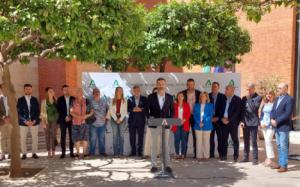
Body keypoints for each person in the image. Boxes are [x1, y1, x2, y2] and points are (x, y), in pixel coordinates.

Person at [147, 78, 174, 173]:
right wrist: (150, 117)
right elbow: (146, 111)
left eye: (163, 84)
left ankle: (167, 165)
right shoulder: (150, 97)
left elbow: (172, 112)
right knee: (154, 145)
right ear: (156, 85)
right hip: (154, 125)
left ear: (165, 85)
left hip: (165, 125)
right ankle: (154, 165)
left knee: (165, 146)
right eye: (159, 84)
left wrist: (169, 121)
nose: (161, 85)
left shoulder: (170, 97)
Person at [270, 83, 294, 173]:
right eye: (277, 88)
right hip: (276, 126)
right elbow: (273, 111)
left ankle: (284, 166)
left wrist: (277, 121)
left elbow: (287, 114)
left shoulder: (290, 99)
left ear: (285, 89)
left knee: (284, 146)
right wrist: (271, 119)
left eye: (279, 88)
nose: (277, 89)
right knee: (279, 146)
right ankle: (280, 163)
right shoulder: (277, 99)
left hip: (284, 126)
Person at [240, 83, 262, 165]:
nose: (248, 91)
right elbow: (242, 111)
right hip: (245, 122)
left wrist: (249, 99)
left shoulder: (258, 97)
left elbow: (254, 108)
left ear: (253, 88)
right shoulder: (244, 98)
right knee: (245, 140)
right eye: (247, 89)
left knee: (253, 141)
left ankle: (255, 159)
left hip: (253, 122)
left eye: (249, 89)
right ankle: (246, 157)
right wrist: (241, 121)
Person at [17, 84, 40, 160]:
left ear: (31, 90)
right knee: (23, 139)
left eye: (29, 89)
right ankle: (24, 154)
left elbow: (37, 111)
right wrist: (25, 121)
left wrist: (34, 120)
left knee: (35, 138)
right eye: (26, 89)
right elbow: (19, 112)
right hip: (23, 123)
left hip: (34, 122)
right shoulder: (20, 100)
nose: (28, 90)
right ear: (24, 90)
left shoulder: (35, 99)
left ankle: (34, 153)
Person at [70, 88, 94, 159]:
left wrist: (86, 116)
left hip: (85, 123)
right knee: (76, 139)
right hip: (75, 123)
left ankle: (84, 154)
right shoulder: (72, 101)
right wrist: (77, 116)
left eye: (80, 92)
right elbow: (71, 111)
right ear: (76, 94)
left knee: (85, 139)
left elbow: (92, 111)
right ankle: (77, 154)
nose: (79, 93)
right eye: (78, 92)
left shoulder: (87, 101)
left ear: (82, 93)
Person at [220, 85, 242, 162]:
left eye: (227, 89)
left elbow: (237, 112)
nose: (225, 91)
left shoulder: (238, 99)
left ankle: (235, 156)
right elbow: (220, 110)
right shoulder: (223, 98)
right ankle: (223, 155)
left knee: (235, 140)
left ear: (232, 91)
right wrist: (222, 119)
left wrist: (229, 120)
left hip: (232, 123)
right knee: (223, 139)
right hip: (223, 123)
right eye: (225, 89)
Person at [182, 79, 201, 158]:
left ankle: (196, 153)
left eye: (191, 84)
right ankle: (184, 153)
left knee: (195, 135)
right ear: (186, 85)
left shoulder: (199, 93)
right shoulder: (182, 93)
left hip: (195, 117)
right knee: (184, 136)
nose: (190, 86)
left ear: (194, 85)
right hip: (185, 117)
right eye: (188, 84)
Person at [107, 86, 128, 157]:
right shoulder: (112, 100)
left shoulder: (125, 100)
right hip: (114, 119)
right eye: (119, 90)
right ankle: (115, 153)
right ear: (116, 91)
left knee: (121, 136)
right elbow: (111, 110)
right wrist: (116, 119)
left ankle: (121, 153)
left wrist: (120, 119)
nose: (120, 92)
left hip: (122, 119)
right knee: (115, 136)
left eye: (121, 90)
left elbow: (125, 111)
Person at [128, 85, 148, 157]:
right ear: (133, 91)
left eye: (138, 90)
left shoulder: (144, 99)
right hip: (132, 121)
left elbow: (146, 108)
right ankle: (133, 152)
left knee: (141, 137)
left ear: (140, 91)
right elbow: (127, 109)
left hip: (141, 120)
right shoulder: (129, 99)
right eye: (135, 90)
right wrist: (133, 109)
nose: (137, 91)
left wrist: (141, 109)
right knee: (132, 137)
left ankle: (140, 152)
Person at [193, 92, 213, 160]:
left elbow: (210, 116)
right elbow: (194, 115)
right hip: (197, 126)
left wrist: (203, 122)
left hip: (207, 126)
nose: (203, 97)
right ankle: (199, 156)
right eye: (201, 96)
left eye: (204, 96)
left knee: (206, 142)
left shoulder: (210, 105)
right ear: (200, 97)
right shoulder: (196, 105)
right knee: (198, 141)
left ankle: (206, 156)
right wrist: (199, 123)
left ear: (207, 97)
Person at [89, 88, 109, 156]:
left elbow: (108, 110)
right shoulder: (90, 102)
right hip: (93, 124)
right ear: (93, 94)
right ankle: (91, 153)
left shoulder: (104, 101)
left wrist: (106, 118)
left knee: (101, 139)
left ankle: (102, 152)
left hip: (102, 124)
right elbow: (88, 111)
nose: (97, 93)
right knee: (92, 139)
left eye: (98, 92)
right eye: (95, 92)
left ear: (100, 93)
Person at [57, 85, 75, 159]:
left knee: (72, 136)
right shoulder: (59, 99)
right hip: (63, 120)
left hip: (71, 120)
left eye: (67, 89)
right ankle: (63, 153)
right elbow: (59, 110)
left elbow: (74, 109)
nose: (66, 91)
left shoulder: (73, 99)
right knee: (63, 136)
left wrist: (70, 116)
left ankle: (71, 153)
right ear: (62, 90)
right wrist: (65, 117)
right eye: (64, 90)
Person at [209, 82, 226, 158]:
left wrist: (218, 117)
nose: (214, 88)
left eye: (215, 86)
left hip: (219, 121)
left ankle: (221, 154)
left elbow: (224, 108)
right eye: (212, 86)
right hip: (210, 121)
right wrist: (210, 118)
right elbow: (205, 108)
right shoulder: (208, 96)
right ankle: (211, 154)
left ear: (218, 88)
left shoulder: (223, 96)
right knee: (210, 139)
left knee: (220, 138)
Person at [40, 87, 59, 158]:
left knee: (54, 136)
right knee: (47, 136)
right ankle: (48, 151)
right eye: (49, 91)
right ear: (47, 93)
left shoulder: (56, 101)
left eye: (52, 91)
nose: (51, 92)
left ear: (54, 93)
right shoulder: (44, 102)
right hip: (46, 121)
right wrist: (43, 122)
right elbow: (42, 112)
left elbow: (59, 111)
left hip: (55, 121)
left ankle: (53, 151)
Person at [171, 92, 190, 159]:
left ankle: (183, 154)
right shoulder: (174, 105)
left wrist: (183, 120)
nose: (180, 97)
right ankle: (177, 153)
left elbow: (188, 114)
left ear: (183, 97)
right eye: (179, 96)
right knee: (177, 140)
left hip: (184, 124)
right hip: (176, 124)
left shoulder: (186, 104)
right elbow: (172, 114)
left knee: (184, 140)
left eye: (181, 96)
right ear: (177, 97)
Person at [260, 90, 276, 167]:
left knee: (268, 140)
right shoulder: (265, 103)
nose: (268, 95)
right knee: (266, 142)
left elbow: (275, 116)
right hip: (263, 125)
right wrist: (261, 122)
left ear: (273, 95)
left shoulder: (275, 104)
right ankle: (267, 158)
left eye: (270, 94)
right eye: (267, 94)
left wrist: (268, 124)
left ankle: (270, 158)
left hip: (270, 126)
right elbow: (262, 114)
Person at [143, 87, 160, 158]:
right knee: (148, 137)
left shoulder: (162, 100)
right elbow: (146, 110)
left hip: (159, 120)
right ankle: (147, 153)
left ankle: (157, 153)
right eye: (154, 92)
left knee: (158, 138)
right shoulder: (149, 100)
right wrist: (149, 117)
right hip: (151, 120)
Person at [0, 85, 12, 161]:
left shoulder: (12, 99)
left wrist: (10, 117)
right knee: (2, 138)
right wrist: (4, 117)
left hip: (11, 121)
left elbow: (15, 109)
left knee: (10, 137)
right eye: (2, 88)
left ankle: (10, 153)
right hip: (2, 121)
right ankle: (3, 154)